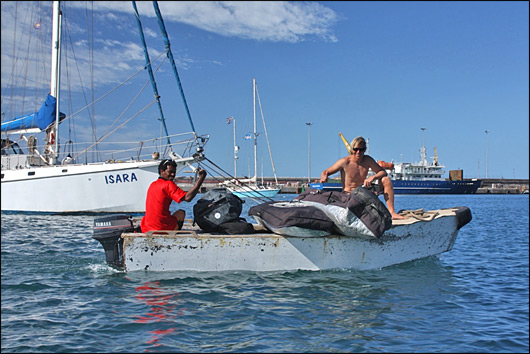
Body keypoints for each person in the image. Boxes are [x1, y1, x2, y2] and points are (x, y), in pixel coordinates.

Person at [320, 136, 406, 220]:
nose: (358, 152)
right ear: (352, 149)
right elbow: (326, 171)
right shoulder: (345, 162)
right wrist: (324, 176)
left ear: (364, 150)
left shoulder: (367, 160)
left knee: (385, 180)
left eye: (361, 150)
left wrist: (373, 177)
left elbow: (383, 172)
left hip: (363, 192)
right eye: (356, 149)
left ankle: (392, 212)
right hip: (348, 195)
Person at [141, 159, 207, 233]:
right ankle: (174, 233)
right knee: (181, 212)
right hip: (161, 228)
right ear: (161, 171)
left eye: (174, 172)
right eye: (170, 172)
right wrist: (201, 178)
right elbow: (188, 198)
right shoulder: (168, 184)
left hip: (147, 228)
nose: (173, 175)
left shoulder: (152, 184)